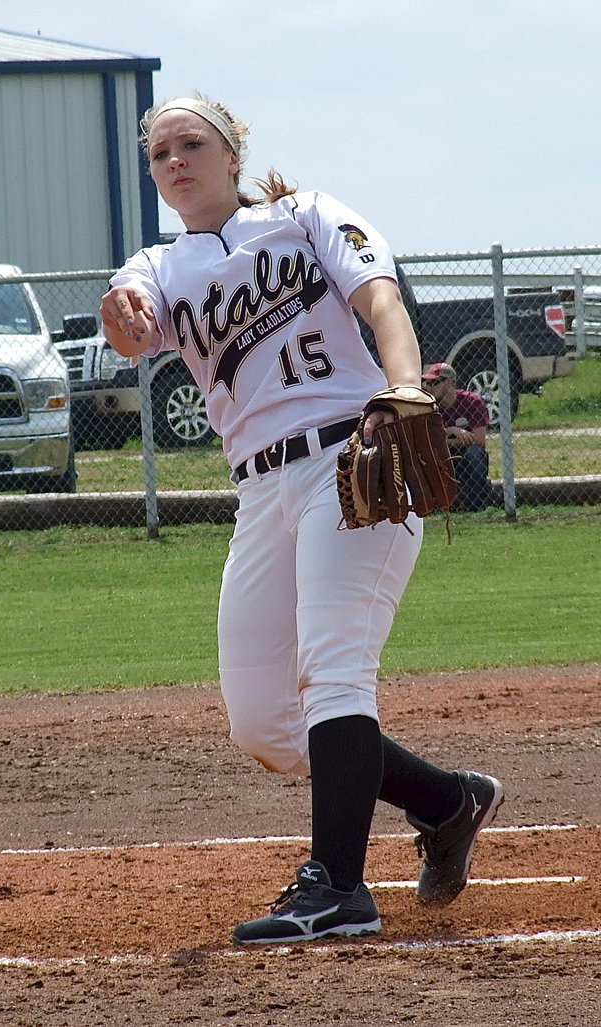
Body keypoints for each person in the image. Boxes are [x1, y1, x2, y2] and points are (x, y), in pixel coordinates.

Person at [99, 94, 504, 945]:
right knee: (265, 722)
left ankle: (338, 889)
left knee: (334, 672)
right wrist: (125, 316)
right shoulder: (159, 267)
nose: (176, 160)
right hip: (261, 493)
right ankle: (445, 801)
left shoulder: (305, 216)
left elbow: (383, 301)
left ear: (231, 151)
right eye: (160, 151)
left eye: (192, 142)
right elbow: (137, 323)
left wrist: (400, 388)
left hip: (351, 463)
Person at [423, 362, 492, 511]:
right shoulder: (429, 407)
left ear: (449, 382)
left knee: (474, 454)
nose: (429, 387)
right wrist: (452, 431)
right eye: (426, 383)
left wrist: (443, 440)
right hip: (443, 456)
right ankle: (435, 506)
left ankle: (477, 508)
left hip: (465, 457)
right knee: (429, 455)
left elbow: (479, 440)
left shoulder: (472, 401)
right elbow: (427, 441)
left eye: (434, 382)